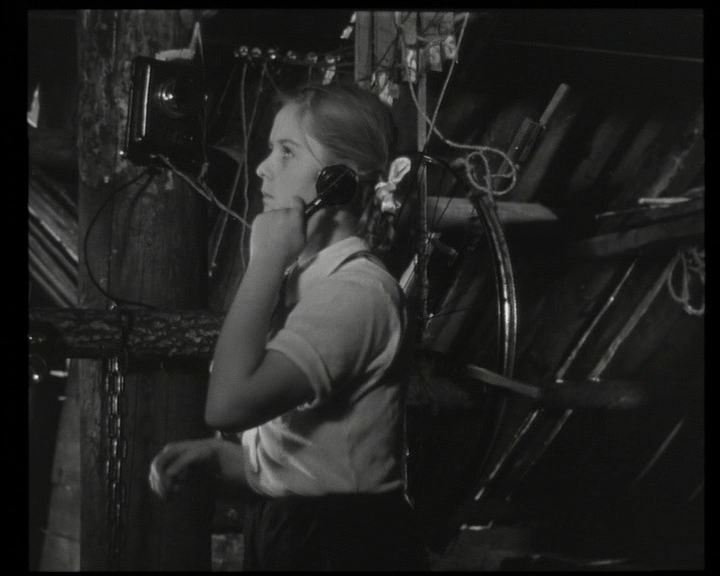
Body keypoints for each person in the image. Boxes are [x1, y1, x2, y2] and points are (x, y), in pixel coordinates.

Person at [148, 81, 429, 571]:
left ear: (338, 181)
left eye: (287, 151)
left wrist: (265, 260)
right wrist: (222, 458)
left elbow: (228, 405)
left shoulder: (355, 294)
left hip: (343, 547)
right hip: (299, 531)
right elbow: (314, 463)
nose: (263, 167)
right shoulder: (310, 281)